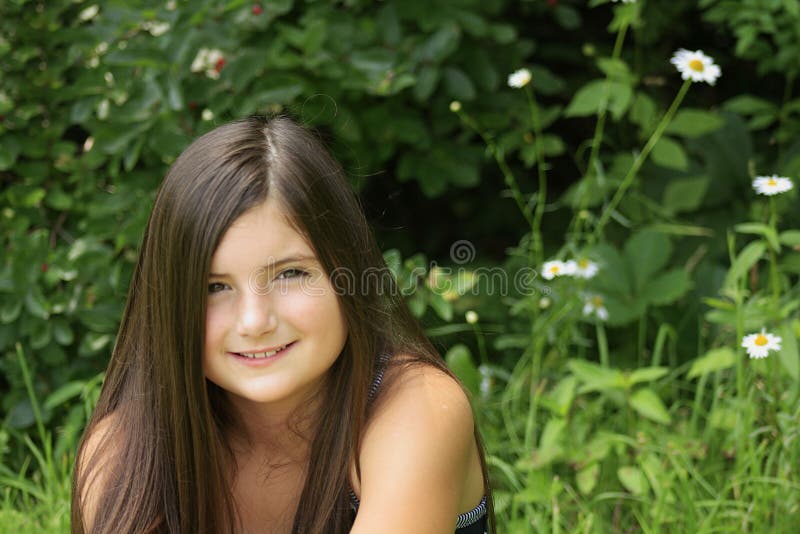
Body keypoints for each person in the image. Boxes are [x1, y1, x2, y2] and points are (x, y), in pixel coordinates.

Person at [71, 115, 493, 533]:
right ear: (170, 302)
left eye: (290, 274)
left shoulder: (417, 407)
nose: (255, 321)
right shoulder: (125, 459)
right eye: (214, 287)